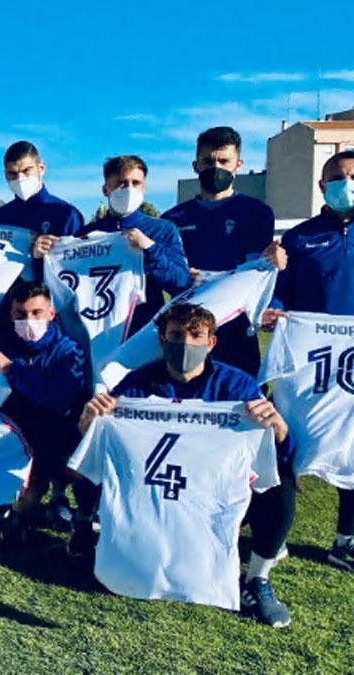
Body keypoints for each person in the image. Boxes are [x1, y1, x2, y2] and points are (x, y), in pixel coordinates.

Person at [79, 303, 295, 628]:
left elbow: (277, 451)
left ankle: (257, 580)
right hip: (154, 494)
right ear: (162, 339)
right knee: (88, 476)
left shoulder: (236, 385)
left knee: (282, 485)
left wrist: (278, 430)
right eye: (176, 335)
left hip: (213, 491)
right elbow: (99, 450)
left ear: (211, 343)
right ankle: (99, 536)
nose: (186, 343)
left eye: (196, 336)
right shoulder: (136, 384)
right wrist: (89, 424)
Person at [263, 149, 354, 577]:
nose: (346, 184)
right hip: (308, 361)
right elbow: (280, 293)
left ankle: (345, 540)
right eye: (338, 177)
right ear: (322, 185)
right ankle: (272, 536)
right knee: (288, 446)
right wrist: (274, 310)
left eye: (352, 176)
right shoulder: (299, 239)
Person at [162, 127, 282, 376]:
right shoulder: (172, 219)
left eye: (223, 161)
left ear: (238, 164)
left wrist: (272, 262)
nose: (215, 168)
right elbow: (168, 274)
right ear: (195, 165)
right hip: (188, 327)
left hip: (236, 324)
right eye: (208, 161)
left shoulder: (256, 213)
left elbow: (254, 272)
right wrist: (183, 277)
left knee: (239, 396)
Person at [0, 281, 89, 540]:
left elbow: (61, 398)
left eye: (36, 313)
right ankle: (18, 516)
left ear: (51, 314)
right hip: (20, 436)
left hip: (61, 437)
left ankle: (84, 518)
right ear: (11, 315)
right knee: (24, 499)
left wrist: (13, 371)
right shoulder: (4, 346)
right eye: (21, 314)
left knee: (85, 475)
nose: (28, 320)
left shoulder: (69, 350)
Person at [78, 155, 191, 332]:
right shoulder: (88, 234)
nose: (129, 189)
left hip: (144, 330)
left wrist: (150, 248)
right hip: (97, 328)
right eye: (121, 183)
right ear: (106, 189)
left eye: (135, 183)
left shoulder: (162, 229)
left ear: (144, 188)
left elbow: (180, 283)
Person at [0, 141, 85, 274]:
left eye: (26, 170)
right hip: (4, 293)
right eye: (12, 173)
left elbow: (79, 267)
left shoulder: (66, 214)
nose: (20, 178)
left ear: (41, 168)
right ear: (5, 174)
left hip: (47, 292)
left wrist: (42, 256)